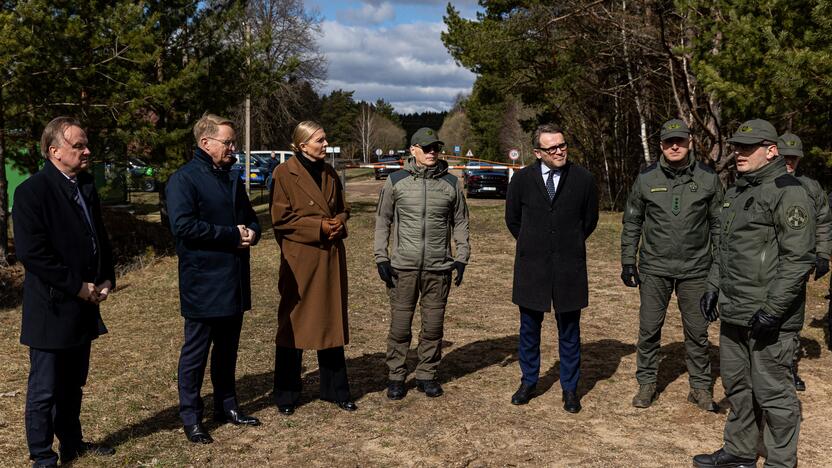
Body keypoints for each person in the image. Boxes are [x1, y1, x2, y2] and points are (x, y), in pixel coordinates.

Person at [694, 119, 815, 468]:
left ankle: (780, 461)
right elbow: (724, 248)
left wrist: (774, 310)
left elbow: (798, 259)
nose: (738, 152)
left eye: (747, 147)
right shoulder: (737, 190)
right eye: (735, 146)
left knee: (774, 394)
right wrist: (713, 287)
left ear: (771, 150)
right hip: (734, 310)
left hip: (769, 316)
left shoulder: (788, 191)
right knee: (738, 387)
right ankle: (740, 450)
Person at [13, 116, 116, 467]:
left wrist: (106, 278)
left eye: (86, 144)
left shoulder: (85, 185)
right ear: (54, 151)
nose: (87, 151)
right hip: (52, 306)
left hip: (84, 304)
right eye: (78, 146)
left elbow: (98, 236)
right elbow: (33, 253)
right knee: (44, 389)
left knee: (73, 383)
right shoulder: (32, 192)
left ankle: (72, 443)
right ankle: (42, 455)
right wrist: (77, 287)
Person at [166, 113, 262, 445]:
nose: (233, 147)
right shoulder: (184, 179)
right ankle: (191, 417)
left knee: (227, 350)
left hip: (233, 279)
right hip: (203, 281)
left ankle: (227, 406)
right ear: (206, 143)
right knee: (196, 353)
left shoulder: (231, 177)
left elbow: (250, 217)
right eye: (228, 142)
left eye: (233, 142)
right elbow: (183, 226)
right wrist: (230, 235)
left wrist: (253, 232)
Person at [620, 119, 722, 411]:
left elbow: (719, 226)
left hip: (696, 270)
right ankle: (647, 383)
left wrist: (718, 270)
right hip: (655, 268)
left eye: (679, 140)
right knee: (649, 329)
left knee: (697, 331)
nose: (674, 146)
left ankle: (700, 387)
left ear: (689, 142)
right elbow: (632, 221)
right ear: (661, 145)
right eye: (668, 142)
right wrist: (629, 261)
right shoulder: (647, 178)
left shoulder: (707, 178)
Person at [504, 124, 599, 413]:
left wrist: (565, 245)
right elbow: (513, 220)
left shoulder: (583, 179)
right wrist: (537, 244)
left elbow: (589, 221)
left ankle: (570, 389)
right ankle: (529, 381)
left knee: (569, 331)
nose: (559, 151)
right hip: (532, 268)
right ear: (537, 152)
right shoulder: (521, 180)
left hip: (569, 268)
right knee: (529, 330)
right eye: (551, 148)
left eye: (562, 145)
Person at [373, 127, 470, 400]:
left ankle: (427, 374)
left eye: (435, 148)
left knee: (433, 326)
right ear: (413, 150)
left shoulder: (451, 184)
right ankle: (396, 376)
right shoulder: (396, 181)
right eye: (426, 148)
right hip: (403, 267)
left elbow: (461, 221)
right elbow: (383, 221)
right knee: (400, 326)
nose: (432, 153)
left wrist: (461, 257)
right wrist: (381, 256)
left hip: (438, 269)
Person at [271, 121, 356, 414]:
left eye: (325, 138)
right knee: (293, 325)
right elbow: (280, 220)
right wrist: (318, 227)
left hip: (330, 258)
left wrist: (339, 223)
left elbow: (344, 209)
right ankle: (286, 394)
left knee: (330, 323)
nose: (325, 144)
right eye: (320, 140)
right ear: (302, 144)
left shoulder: (330, 172)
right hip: (301, 261)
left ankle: (336, 390)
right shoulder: (284, 173)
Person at [779, 131, 832, 391]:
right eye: (785, 156)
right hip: (763, 264)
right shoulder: (763, 183)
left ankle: (788, 369)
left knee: (791, 320)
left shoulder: (811, 187)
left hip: (796, 265)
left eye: (794, 158)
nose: (789, 162)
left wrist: (823, 254)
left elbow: (823, 221)